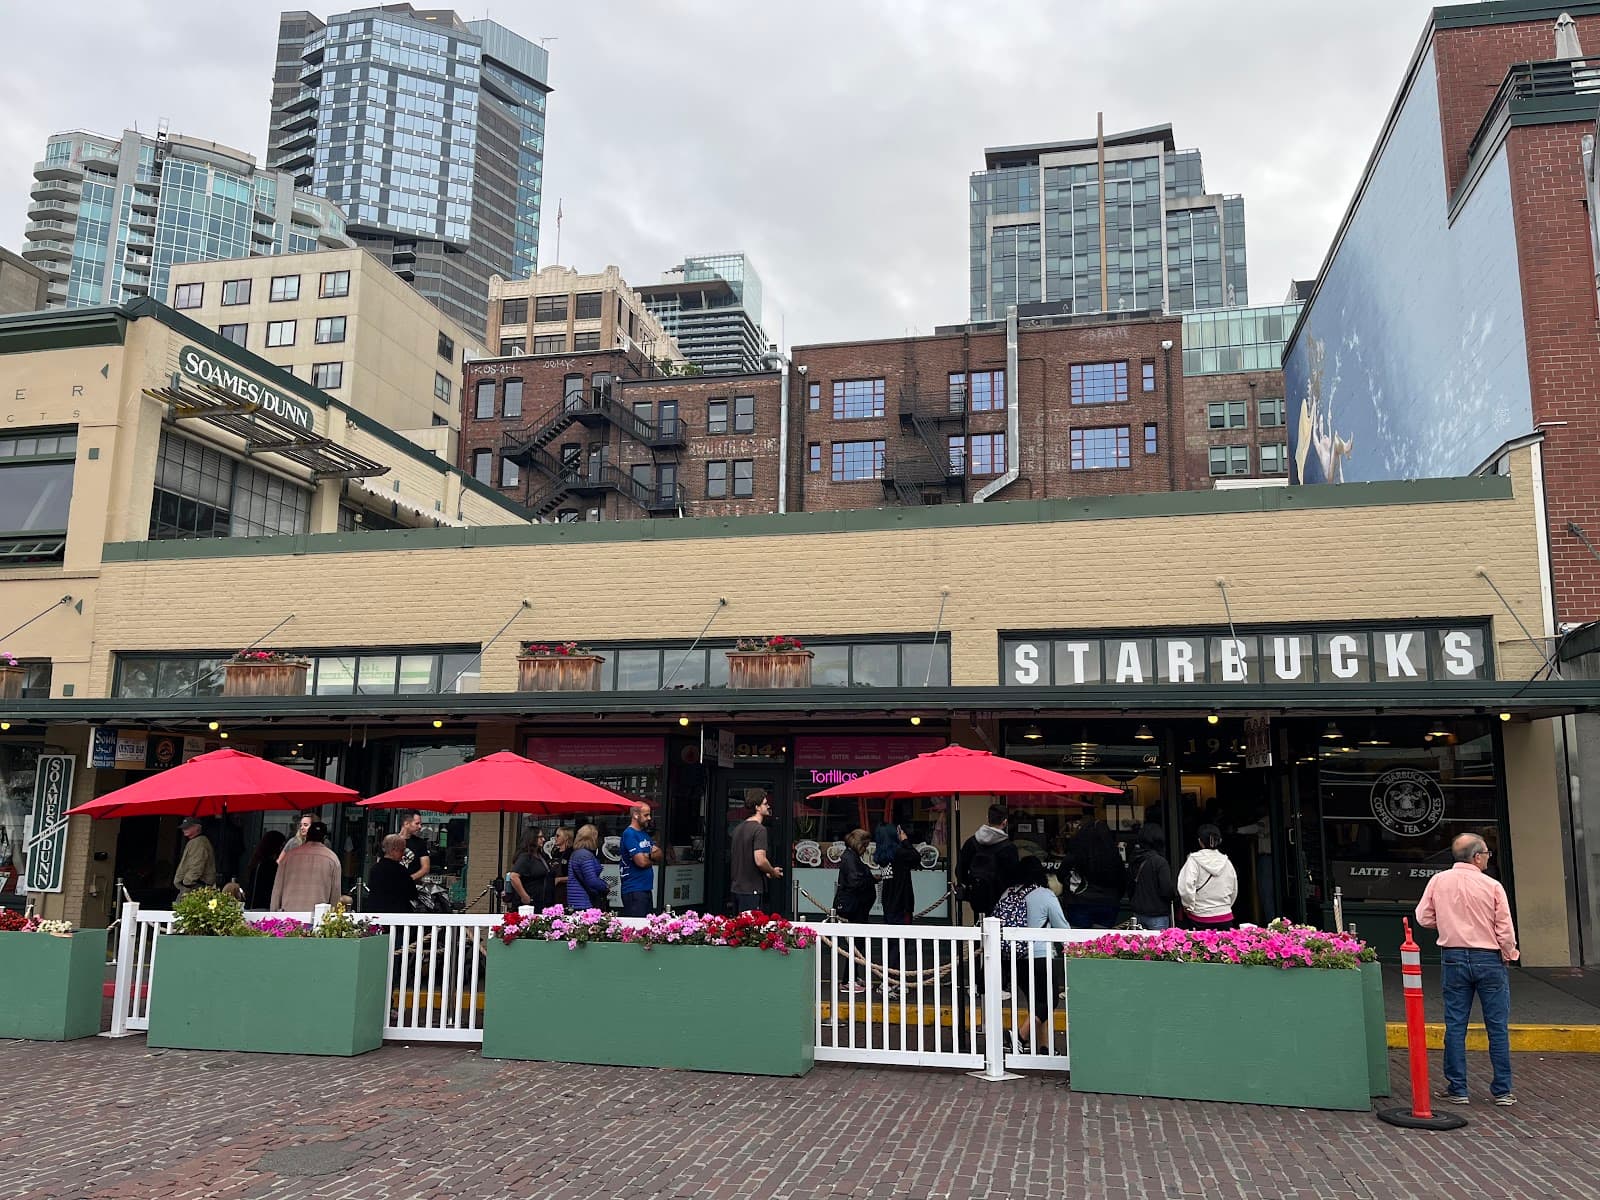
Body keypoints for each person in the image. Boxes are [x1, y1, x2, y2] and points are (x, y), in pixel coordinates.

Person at [1416, 832, 1520, 1106]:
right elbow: (1504, 928)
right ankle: (1502, 1090)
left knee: (1455, 1024)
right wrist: (1509, 953)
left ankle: (1458, 1088)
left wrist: (1449, 924)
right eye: (1486, 853)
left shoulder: (1438, 881)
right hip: (1489, 958)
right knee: (1497, 1026)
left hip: (1453, 956)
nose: (1488, 858)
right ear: (1476, 856)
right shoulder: (1492, 886)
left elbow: (1423, 917)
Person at [992, 856, 1071, 1050]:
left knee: (1036, 1003)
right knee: (1050, 1001)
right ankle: (1019, 1036)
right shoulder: (1045, 894)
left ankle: (1043, 1047)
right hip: (1040, 955)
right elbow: (1062, 927)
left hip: (1014, 957)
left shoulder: (1007, 893)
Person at [1060, 818, 1127, 928]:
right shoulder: (1113, 856)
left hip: (1079, 902)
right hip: (1108, 903)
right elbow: (1122, 880)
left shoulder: (1076, 854)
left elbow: (1061, 875)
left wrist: (1072, 886)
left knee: (1079, 941)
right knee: (1103, 941)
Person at [957, 805, 1020, 920]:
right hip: (1001, 897)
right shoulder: (1009, 848)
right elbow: (1014, 876)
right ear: (1005, 822)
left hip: (976, 894)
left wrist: (973, 883)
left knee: (978, 928)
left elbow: (960, 870)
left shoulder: (971, 842)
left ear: (987, 818)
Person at [1176, 824, 1239, 930]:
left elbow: (1186, 887)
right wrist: (1224, 907)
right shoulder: (1226, 862)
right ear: (1220, 840)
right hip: (1225, 916)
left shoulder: (1193, 860)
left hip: (1200, 917)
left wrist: (1189, 906)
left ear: (1200, 841)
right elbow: (1233, 889)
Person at [271, 820, 342, 911]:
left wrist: (274, 912)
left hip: (289, 917)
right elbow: (335, 893)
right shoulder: (332, 858)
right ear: (324, 837)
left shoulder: (289, 856)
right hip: (317, 916)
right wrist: (333, 915)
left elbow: (277, 889)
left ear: (308, 835)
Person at [730, 794, 782, 913]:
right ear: (757, 807)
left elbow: (745, 858)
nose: (768, 806)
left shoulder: (738, 828)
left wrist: (766, 871)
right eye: (765, 803)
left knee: (739, 928)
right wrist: (772, 871)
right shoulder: (759, 829)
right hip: (751, 889)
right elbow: (760, 860)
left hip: (737, 888)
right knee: (752, 928)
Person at [1127, 824, 1176, 930]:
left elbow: (1130, 886)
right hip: (1157, 913)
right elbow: (1166, 889)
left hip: (1138, 912)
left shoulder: (1134, 859)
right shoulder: (1159, 862)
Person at [619, 803, 662, 917]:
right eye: (646, 815)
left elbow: (659, 854)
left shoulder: (644, 834)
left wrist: (647, 856)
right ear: (635, 815)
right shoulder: (629, 833)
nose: (649, 818)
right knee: (637, 927)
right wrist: (650, 857)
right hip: (634, 889)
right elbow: (641, 862)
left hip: (645, 888)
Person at [879, 823, 922, 924]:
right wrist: (905, 840)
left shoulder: (882, 852)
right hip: (901, 903)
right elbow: (916, 857)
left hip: (888, 901)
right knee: (902, 936)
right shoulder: (897, 852)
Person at [834, 828, 878, 922]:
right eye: (865, 846)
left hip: (854, 907)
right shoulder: (850, 858)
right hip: (852, 908)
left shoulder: (851, 856)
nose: (865, 850)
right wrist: (871, 879)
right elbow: (855, 882)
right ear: (859, 845)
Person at [366, 834, 417, 913]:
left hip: (376, 913)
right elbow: (412, 894)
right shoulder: (401, 871)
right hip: (397, 914)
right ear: (394, 850)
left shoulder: (375, 869)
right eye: (402, 850)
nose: (403, 853)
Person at [505, 828, 552, 911]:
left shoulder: (540, 856)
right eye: (540, 837)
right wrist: (524, 896)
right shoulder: (526, 857)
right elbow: (514, 876)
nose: (543, 840)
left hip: (541, 901)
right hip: (529, 903)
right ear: (532, 838)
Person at [565, 824, 610, 910]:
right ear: (593, 837)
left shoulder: (577, 853)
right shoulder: (585, 855)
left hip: (576, 900)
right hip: (584, 901)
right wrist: (605, 886)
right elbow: (591, 880)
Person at [173, 817, 216, 897]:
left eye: (187, 827)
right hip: (193, 887)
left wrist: (187, 883)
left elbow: (197, 865)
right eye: (183, 827)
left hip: (194, 888)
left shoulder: (198, 842)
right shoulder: (196, 841)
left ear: (197, 827)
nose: (184, 829)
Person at [245, 830, 286, 909]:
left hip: (253, 906)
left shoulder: (257, 863)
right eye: (281, 846)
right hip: (263, 907)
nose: (282, 849)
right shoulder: (269, 865)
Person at [398, 810, 432, 881]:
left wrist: (409, 879)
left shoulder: (420, 843)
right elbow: (381, 865)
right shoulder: (390, 841)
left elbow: (425, 868)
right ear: (406, 824)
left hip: (412, 887)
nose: (420, 827)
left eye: (420, 824)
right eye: (417, 823)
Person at [549, 827, 573, 903]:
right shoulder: (555, 852)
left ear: (566, 837)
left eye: (558, 836)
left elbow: (575, 875)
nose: (555, 838)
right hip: (553, 890)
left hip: (566, 891)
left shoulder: (571, 853)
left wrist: (559, 879)